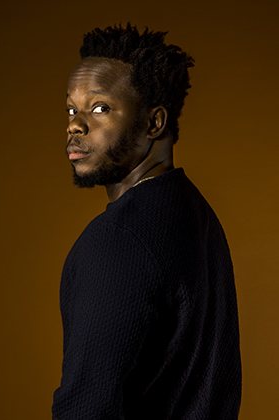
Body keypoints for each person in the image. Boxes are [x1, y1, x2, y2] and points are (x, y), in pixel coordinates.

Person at [52, 23, 241, 419]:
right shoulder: (195, 213)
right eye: (72, 108)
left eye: (100, 108)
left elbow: (86, 409)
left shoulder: (117, 240)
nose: (75, 125)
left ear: (154, 123)